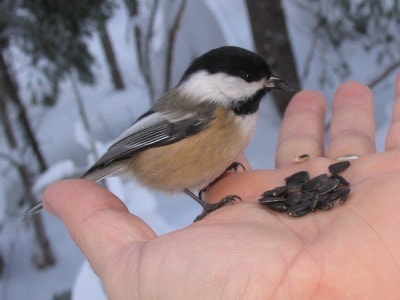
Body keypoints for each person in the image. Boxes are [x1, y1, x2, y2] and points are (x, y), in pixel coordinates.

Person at [43, 76, 400, 299]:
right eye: (251, 78)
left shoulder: (234, 115)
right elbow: (150, 135)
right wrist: (207, 203)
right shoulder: (210, 108)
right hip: (147, 156)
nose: (263, 84)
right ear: (224, 82)